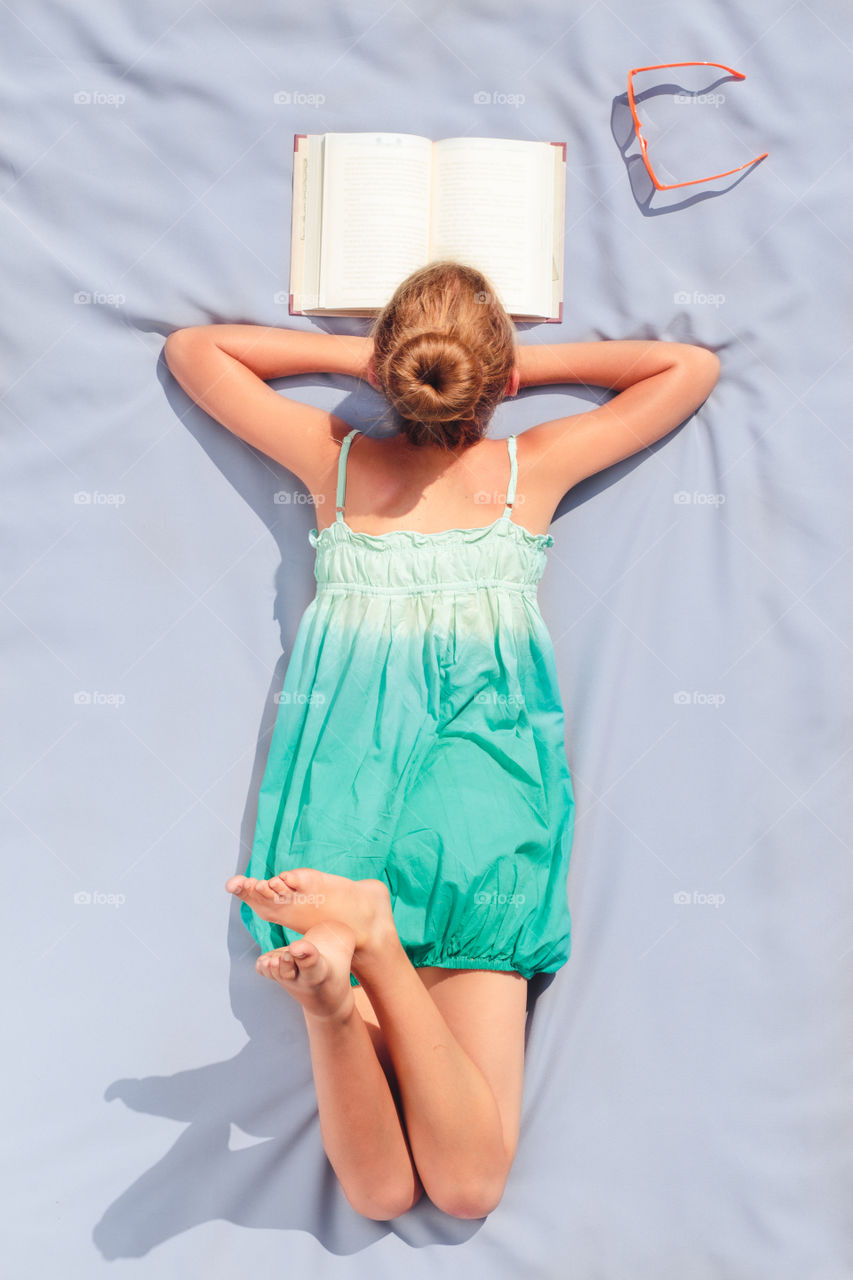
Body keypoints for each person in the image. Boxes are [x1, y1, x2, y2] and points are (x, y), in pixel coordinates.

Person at [163, 260, 720, 1222]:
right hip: (482, 809)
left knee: (379, 1194)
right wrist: (508, 373)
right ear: (497, 383)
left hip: (340, 801)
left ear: (385, 370)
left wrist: (375, 363)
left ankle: (348, 976)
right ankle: (366, 952)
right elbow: (684, 368)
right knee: (462, 1191)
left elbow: (194, 351)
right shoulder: (524, 473)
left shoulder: (331, 461)